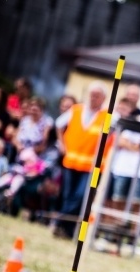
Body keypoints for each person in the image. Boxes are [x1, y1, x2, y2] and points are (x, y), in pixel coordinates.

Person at [54, 82, 108, 238]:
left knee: (80, 196)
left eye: (97, 96)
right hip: (71, 161)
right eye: (92, 94)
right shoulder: (76, 110)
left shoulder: (107, 115)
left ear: (103, 98)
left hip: (91, 166)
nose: (93, 98)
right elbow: (59, 124)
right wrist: (62, 144)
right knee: (68, 195)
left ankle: (60, 222)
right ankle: (65, 230)